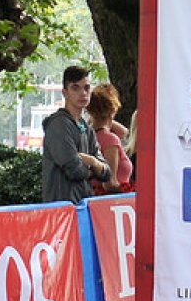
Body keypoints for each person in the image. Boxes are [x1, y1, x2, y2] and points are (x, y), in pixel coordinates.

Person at [41, 66, 113, 202]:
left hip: (83, 205)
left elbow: (107, 173)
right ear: (65, 93)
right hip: (62, 207)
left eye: (86, 88)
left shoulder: (87, 128)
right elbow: (74, 170)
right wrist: (94, 169)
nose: (83, 93)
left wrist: (91, 161)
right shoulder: (58, 125)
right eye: (75, 88)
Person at [87, 83, 132, 194]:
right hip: (113, 201)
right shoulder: (110, 140)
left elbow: (125, 133)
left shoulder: (86, 136)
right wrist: (132, 191)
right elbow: (109, 184)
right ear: (113, 109)